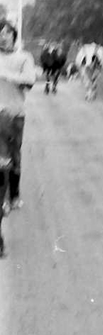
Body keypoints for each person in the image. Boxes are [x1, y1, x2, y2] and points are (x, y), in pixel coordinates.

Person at [0, 20, 37, 212]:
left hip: (14, 114)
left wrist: (7, 75)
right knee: (1, 157)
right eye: (0, 32)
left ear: (14, 36)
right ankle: (3, 199)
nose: (3, 35)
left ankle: (13, 195)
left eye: (7, 32)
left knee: (13, 156)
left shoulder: (23, 57)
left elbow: (30, 80)